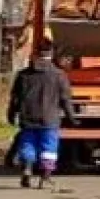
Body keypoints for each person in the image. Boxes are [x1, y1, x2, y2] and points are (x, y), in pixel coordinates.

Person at [7, 42, 72, 188]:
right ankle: (45, 176)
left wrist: (11, 114)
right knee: (49, 147)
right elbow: (65, 99)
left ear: (35, 54)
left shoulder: (23, 75)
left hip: (27, 117)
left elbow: (15, 98)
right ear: (51, 55)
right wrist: (71, 116)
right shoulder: (59, 75)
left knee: (27, 144)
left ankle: (27, 168)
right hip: (50, 119)